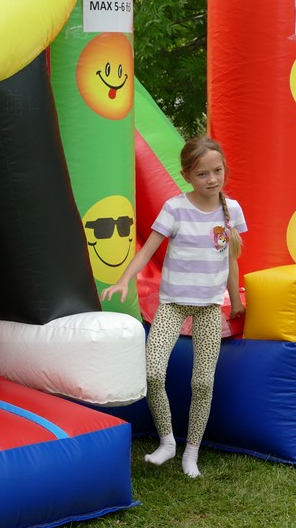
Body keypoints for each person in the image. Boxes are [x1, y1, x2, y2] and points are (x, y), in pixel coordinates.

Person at [101, 135, 246, 478]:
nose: (212, 179)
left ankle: (191, 451)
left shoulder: (232, 209)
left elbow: (231, 261)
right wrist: (123, 280)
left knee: (203, 383)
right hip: (173, 305)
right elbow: (147, 250)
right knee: (153, 372)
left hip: (209, 308)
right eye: (202, 174)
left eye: (217, 171)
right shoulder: (175, 208)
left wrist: (236, 302)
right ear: (186, 176)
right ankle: (167, 440)